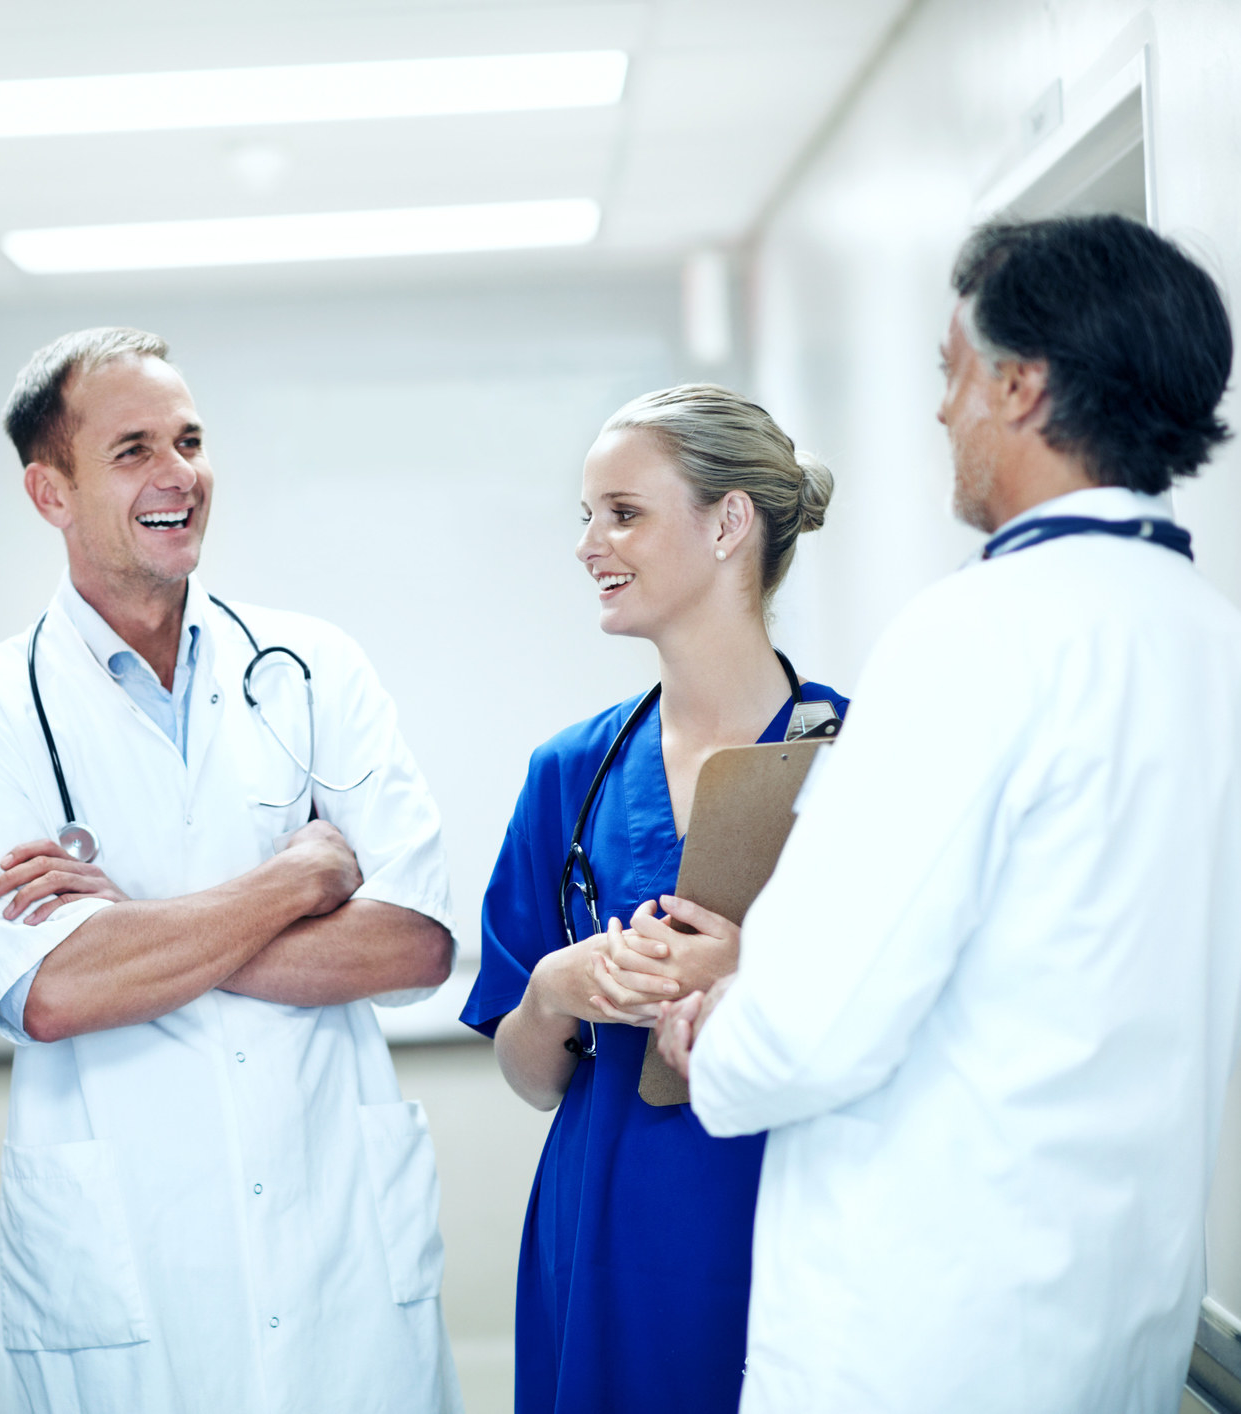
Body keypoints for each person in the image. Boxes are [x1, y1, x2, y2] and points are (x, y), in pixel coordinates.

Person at [654, 214, 1241, 1413]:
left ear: (1020, 385)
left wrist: (709, 1037)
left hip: (926, 1344)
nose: (941, 411)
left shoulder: (977, 638)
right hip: (1119, 1333)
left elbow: (808, 1032)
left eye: (952, 371)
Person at [0, 327, 461, 1412]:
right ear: (50, 490)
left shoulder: (315, 670)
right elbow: (57, 990)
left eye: (191, 439)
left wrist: (137, 925)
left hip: (337, 1249)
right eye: (132, 450)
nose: (180, 475)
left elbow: (414, 942)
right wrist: (296, 880)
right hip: (127, 1265)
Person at [459, 385, 845, 1412]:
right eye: (585, 516)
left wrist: (751, 978)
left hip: (793, 1214)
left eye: (622, 512)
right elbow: (531, 1073)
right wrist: (554, 986)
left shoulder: (862, 765)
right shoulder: (568, 772)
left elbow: (930, 1025)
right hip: (606, 1235)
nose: (590, 543)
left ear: (729, 523)